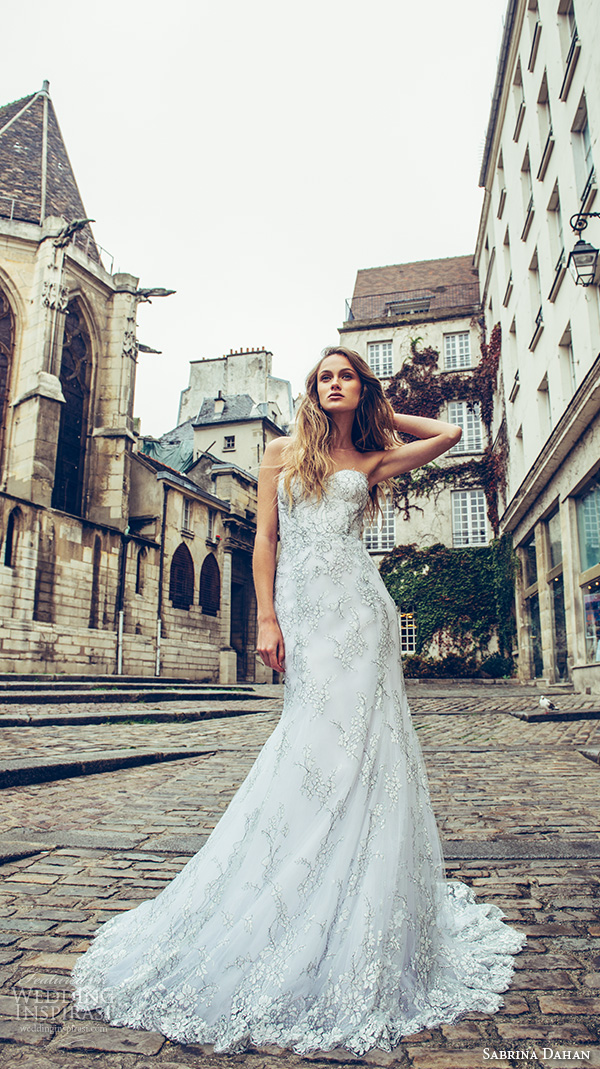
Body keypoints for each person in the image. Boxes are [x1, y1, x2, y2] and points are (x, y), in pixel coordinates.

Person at [71, 346, 526, 1056]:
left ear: (358, 388)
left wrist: (379, 405)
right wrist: (268, 618)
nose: (334, 383)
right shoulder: (282, 451)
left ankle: (358, 883)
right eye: (326, 377)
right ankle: (293, 871)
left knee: (365, 750)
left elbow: (447, 437)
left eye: (347, 376)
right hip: (307, 613)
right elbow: (267, 542)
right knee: (311, 743)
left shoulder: (373, 457)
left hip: (362, 613)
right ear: (314, 389)